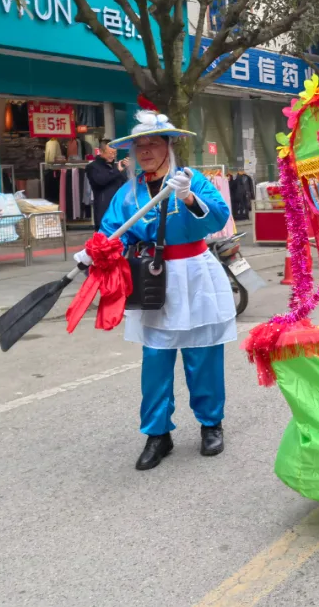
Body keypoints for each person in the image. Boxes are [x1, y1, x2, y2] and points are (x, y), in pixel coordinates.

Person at [74, 108, 236, 471]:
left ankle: (211, 424)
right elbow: (113, 230)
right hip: (153, 277)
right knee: (156, 360)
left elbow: (220, 216)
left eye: (152, 144)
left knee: (203, 353)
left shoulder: (191, 179)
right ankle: (157, 434)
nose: (144, 152)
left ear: (168, 146)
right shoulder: (128, 193)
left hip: (195, 273)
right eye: (139, 147)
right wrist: (93, 251)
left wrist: (191, 199)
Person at [85, 139, 127, 230]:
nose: (113, 156)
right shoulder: (92, 167)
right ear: (100, 151)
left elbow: (125, 183)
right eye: (110, 153)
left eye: (115, 153)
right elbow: (100, 181)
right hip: (103, 209)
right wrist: (117, 171)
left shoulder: (116, 167)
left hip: (118, 208)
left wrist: (127, 169)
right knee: (103, 238)